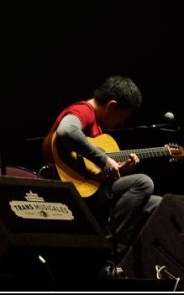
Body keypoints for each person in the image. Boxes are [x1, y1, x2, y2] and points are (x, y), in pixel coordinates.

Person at [41, 75, 162, 278]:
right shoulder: (83, 111)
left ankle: (137, 265)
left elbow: (96, 177)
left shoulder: (96, 125)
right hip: (73, 194)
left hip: (93, 189)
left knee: (158, 204)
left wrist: (120, 170)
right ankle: (109, 256)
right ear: (111, 105)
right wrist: (104, 160)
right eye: (123, 116)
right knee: (144, 182)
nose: (122, 122)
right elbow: (66, 130)